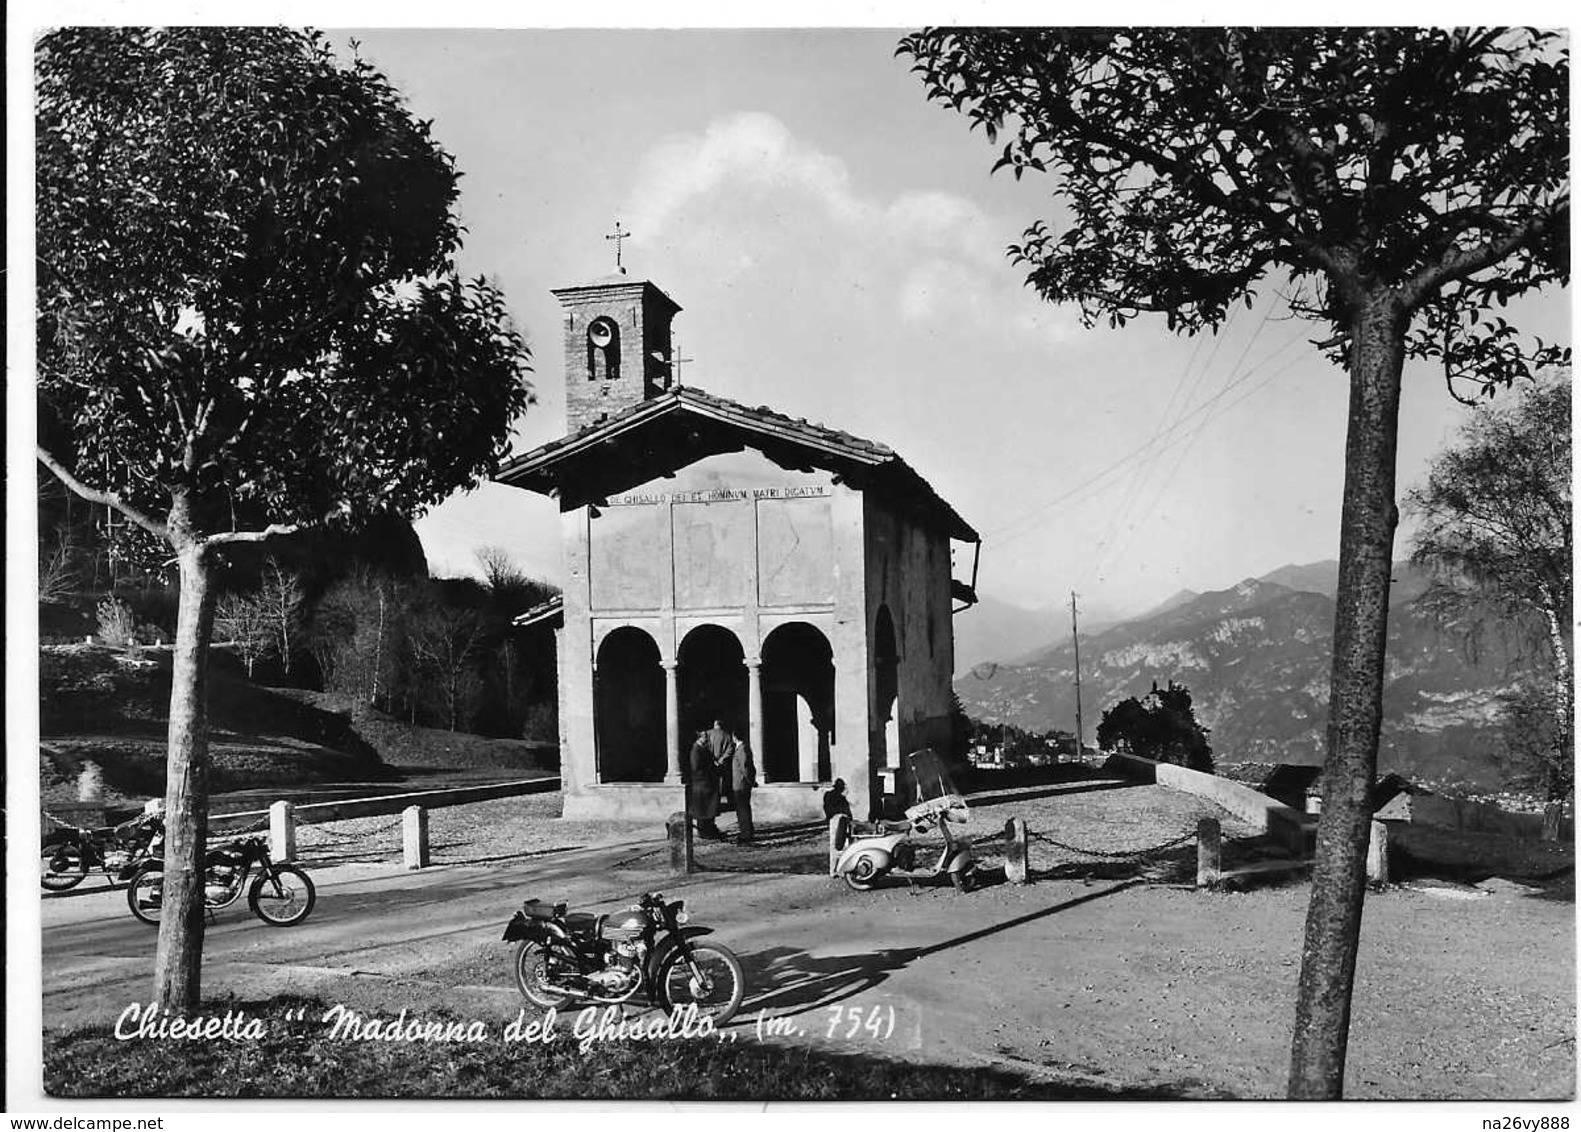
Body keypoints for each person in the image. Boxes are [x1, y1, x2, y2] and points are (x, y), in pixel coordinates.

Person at [687, 720, 727, 839]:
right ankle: (705, 832)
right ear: (699, 737)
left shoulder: (703, 748)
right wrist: (712, 768)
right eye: (704, 736)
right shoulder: (696, 750)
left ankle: (710, 830)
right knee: (703, 811)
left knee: (708, 811)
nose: (707, 737)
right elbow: (696, 768)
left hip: (707, 784)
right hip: (702, 785)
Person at [722, 724, 757, 844]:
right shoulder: (741, 748)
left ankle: (746, 834)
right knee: (742, 809)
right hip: (740, 784)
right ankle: (746, 831)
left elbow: (745, 767)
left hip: (741, 785)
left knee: (742, 810)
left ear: (734, 737)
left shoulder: (742, 749)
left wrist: (750, 781)